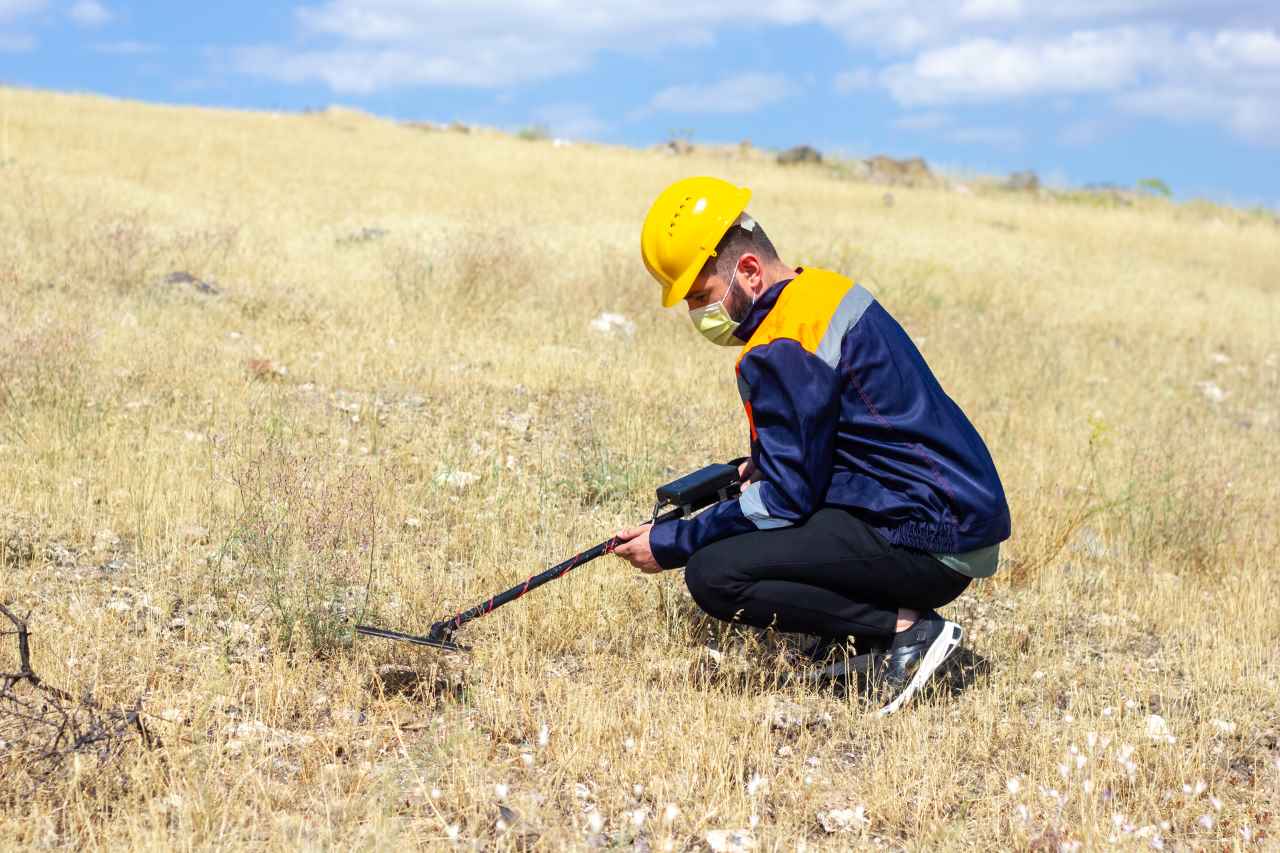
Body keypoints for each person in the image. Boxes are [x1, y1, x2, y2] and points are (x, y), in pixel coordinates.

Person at [612, 176, 1011, 713]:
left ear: (748, 271)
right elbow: (837, 439)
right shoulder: (820, 293)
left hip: (928, 538)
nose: (697, 315)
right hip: (953, 517)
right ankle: (864, 637)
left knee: (715, 574)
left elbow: (784, 501)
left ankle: (906, 632)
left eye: (701, 296)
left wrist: (674, 542)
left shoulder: (781, 343)